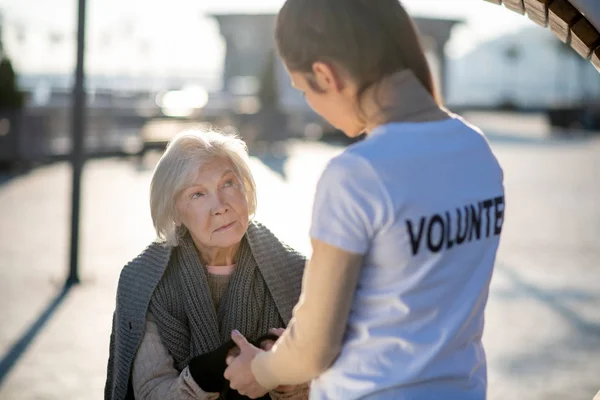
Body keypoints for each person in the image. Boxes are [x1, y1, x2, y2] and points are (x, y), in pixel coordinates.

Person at [224, 1, 506, 399]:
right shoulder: (477, 150)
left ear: (325, 74)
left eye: (304, 89)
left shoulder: (358, 174)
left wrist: (260, 369)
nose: (311, 103)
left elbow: (314, 348)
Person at [104, 130, 310, 400]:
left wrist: (284, 377)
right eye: (198, 194)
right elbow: (151, 392)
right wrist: (207, 373)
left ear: (245, 188)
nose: (220, 206)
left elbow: (327, 385)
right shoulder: (143, 280)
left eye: (227, 183)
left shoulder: (297, 273)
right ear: (175, 211)